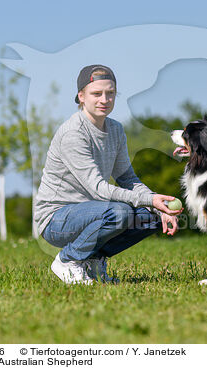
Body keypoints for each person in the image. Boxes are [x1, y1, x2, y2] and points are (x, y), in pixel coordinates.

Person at [34, 64, 181, 285]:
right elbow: (98, 188)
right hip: (56, 219)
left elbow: (128, 179)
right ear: (81, 96)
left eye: (110, 93)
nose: (104, 99)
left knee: (149, 218)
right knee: (120, 213)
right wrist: (150, 199)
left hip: (94, 213)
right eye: (96, 94)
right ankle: (68, 260)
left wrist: (157, 206)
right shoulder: (74, 133)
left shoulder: (115, 130)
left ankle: (92, 261)